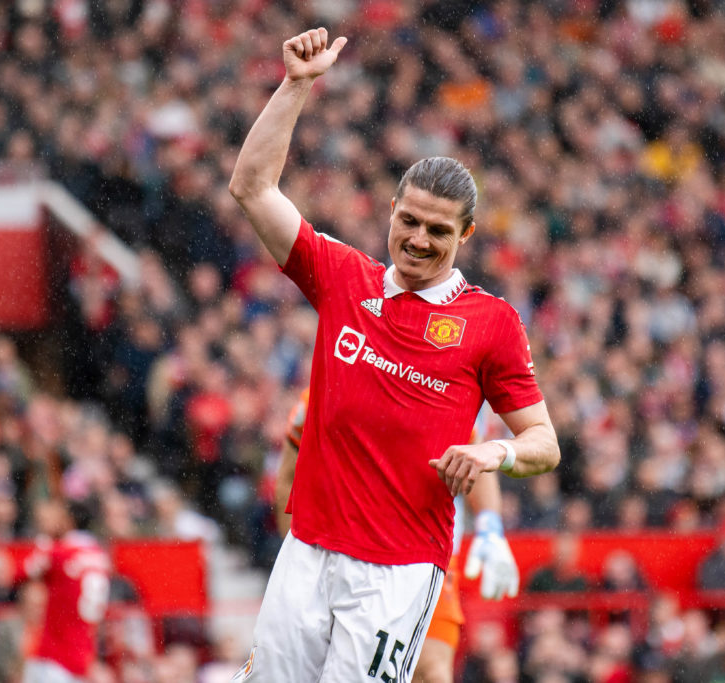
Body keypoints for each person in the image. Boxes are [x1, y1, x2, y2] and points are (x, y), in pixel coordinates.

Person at [229, 27, 560, 681]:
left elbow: (544, 442)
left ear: (465, 234)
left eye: (438, 229)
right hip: (308, 550)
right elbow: (252, 186)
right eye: (408, 220)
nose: (417, 238)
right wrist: (296, 86)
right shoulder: (342, 276)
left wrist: (494, 452)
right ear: (391, 211)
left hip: (400, 571)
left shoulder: (491, 323)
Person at [276, 391, 520, 683]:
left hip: (423, 551)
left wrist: (490, 525)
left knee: (432, 672)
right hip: (347, 549)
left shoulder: (438, 393)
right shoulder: (320, 393)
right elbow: (289, 478)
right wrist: (296, 558)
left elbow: (474, 454)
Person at [20, 499, 112, 683]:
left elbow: (21, 572)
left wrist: (46, 539)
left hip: (54, 656)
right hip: (83, 655)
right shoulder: (100, 555)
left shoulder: (59, 553)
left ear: (68, 520)